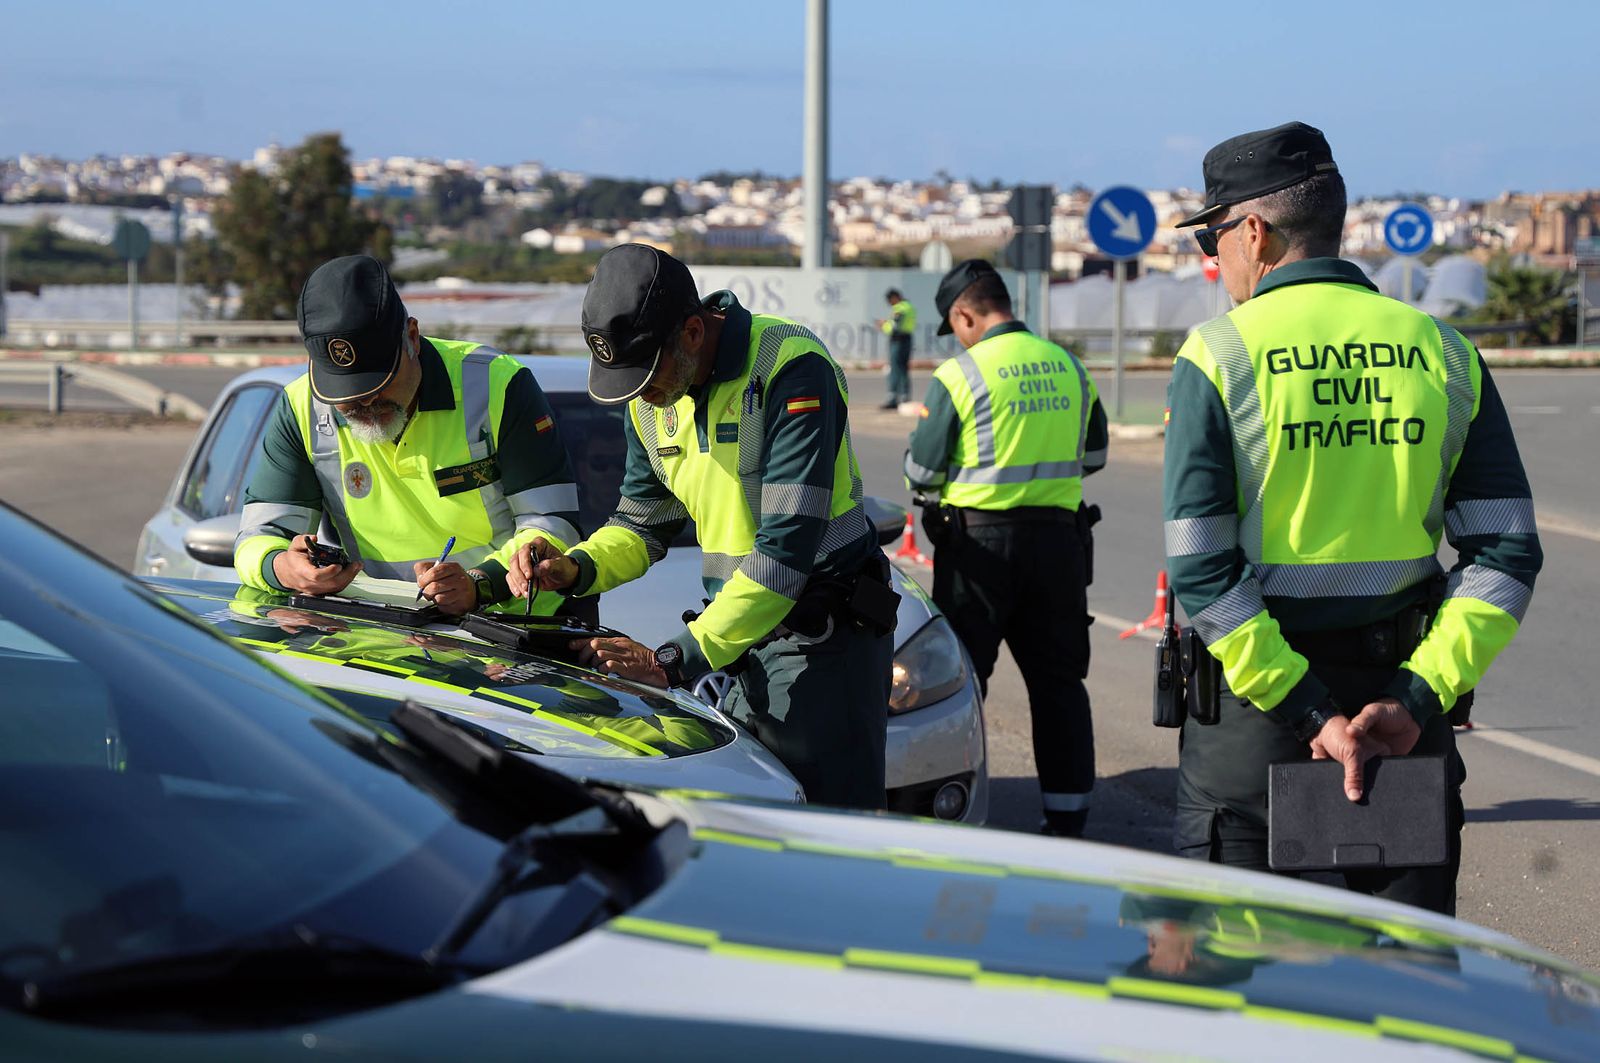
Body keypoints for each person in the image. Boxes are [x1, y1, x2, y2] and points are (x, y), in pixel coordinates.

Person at [1164, 121, 1542, 913]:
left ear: (1256, 233)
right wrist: (1416, 699)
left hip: (1256, 730)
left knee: (1245, 996)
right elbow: (1503, 557)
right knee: (1403, 995)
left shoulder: (1220, 354)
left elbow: (1202, 568)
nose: (1214, 258)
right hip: (1401, 724)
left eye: (1217, 236)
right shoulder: (1443, 350)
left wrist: (1309, 711)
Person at [509, 244, 899, 810]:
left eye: (646, 374)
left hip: (820, 647)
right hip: (732, 646)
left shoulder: (788, 366)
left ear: (693, 332)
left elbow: (785, 553)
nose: (640, 393)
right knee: (748, 832)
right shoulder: (648, 399)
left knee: (828, 836)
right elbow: (640, 525)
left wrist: (672, 660)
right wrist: (575, 567)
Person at [235, 254, 583, 617]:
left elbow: (553, 525)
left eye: (378, 382)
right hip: (379, 633)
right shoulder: (299, 405)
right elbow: (257, 537)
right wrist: (282, 568)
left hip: (514, 629)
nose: (365, 401)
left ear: (412, 338)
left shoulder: (498, 385)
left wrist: (480, 584)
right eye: (345, 394)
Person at [903, 260, 1108, 837]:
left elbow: (921, 470)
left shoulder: (959, 375)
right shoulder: (1069, 366)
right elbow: (1092, 457)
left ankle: (951, 817)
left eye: (956, 325)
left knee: (961, 683)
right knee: (1060, 684)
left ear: (965, 314)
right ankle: (1068, 820)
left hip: (979, 551)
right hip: (1059, 546)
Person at [878, 287, 917, 409]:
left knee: (895, 369)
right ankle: (905, 396)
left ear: (895, 297)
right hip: (907, 339)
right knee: (904, 368)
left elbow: (894, 327)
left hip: (897, 341)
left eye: (890, 300)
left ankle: (893, 398)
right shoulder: (909, 307)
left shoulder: (899, 308)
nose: (890, 303)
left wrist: (884, 325)